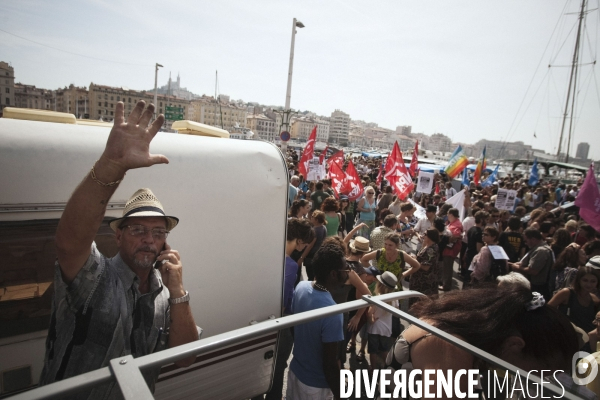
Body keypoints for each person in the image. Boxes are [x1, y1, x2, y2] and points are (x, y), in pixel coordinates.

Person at [39, 101, 199, 397]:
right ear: (119, 237)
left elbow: (186, 358)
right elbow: (69, 241)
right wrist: (112, 165)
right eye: (138, 230)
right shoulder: (95, 276)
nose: (149, 239)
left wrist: (178, 291)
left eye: (158, 232)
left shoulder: (165, 297)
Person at [386, 286, 586, 398]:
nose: (541, 380)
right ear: (515, 345)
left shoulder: (468, 327)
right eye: (544, 370)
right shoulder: (451, 348)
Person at [286, 243, 347, 399]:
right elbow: (330, 365)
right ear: (333, 274)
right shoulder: (332, 312)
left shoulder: (301, 287)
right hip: (315, 387)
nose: (348, 273)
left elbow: (293, 328)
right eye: (345, 270)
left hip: (295, 374)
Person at [266, 218, 315, 400]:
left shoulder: (269, 254)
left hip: (261, 323)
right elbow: (282, 304)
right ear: (299, 241)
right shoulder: (290, 265)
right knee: (277, 372)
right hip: (281, 326)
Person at [549, 267, 600, 347]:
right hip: (567, 336)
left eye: (593, 281)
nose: (589, 284)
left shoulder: (595, 300)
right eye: (585, 280)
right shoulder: (567, 293)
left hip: (586, 341)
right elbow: (548, 310)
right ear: (578, 280)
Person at [509, 229, 555, 301]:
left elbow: (533, 271)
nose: (525, 243)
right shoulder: (536, 249)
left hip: (538, 288)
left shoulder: (541, 251)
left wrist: (517, 268)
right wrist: (510, 263)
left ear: (533, 239)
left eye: (526, 241)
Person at [366, 272, 398, 371]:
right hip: (386, 329)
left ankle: (373, 368)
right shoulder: (394, 300)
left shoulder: (376, 299)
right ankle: (387, 367)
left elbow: (369, 313)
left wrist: (371, 321)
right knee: (385, 350)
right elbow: (396, 311)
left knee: (373, 351)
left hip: (374, 328)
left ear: (379, 284)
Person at [409, 228, 440, 305]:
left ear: (430, 237)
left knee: (421, 304)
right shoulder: (427, 246)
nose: (423, 236)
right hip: (420, 281)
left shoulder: (431, 250)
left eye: (425, 234)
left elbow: (426, 267)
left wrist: (412, 260)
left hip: (424, 282)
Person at [298, 210, 327, 282]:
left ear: (316, 220)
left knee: (310, 277)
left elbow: (310, 245)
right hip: (319, 254)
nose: (311, 218)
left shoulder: (314, 230)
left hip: (311, 256)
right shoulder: (323, 228)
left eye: (313, 217)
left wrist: (302, 257)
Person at [440, 208, 463, 291]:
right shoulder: (453, 223)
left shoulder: (456, 224)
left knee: (447, 268)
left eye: (448, 214)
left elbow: (457, 235)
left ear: (451, 215)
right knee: (446, 266)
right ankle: (444, 282)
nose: (447, 215)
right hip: (449, 249)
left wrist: (447, 240)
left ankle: (446, 285)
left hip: (450, 250)